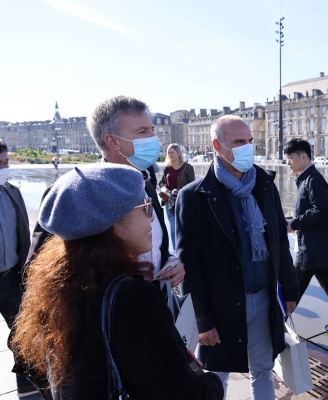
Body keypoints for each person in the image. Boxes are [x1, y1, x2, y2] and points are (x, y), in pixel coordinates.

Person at [11, 164, 223, 400]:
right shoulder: (133, 297)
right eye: (145, 208)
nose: (151, 220)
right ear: (113, 226)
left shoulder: (56, 284)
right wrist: (203, 375)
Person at [176, 115, 299, 400]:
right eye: (239, 142)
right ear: (217, 146)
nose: (247, 148)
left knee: (263, 370)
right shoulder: (195, 196)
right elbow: (189, 264)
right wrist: (202, 321)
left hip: (263, 299)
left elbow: (279, 240)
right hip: (221, 305)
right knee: (216, 375)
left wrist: (290, 289)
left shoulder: (264, 185)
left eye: (250, 141)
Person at [27, 96, 184, 287]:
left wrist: (170, 260)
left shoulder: (147, 181)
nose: (153, 138)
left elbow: (157, 247)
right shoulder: (76, 193)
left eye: (152, 130)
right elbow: (37, 271)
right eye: (143, 131)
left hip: (155, 307)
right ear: (112, 141)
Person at [284, 139, 328, 334]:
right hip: (316, 244)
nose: (288, 162)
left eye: (290, 157)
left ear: (303, 156)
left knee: (293, 285)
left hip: (313, 246)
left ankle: (279, 323)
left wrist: (295, 223)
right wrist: (293, 220)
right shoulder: (307, 178)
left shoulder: (312, 179)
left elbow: (320, 209)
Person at [0, 140, 37, 397]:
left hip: (11, 277)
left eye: (6, 163)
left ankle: (26, 386)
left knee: (22, 332)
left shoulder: (12, 192)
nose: (4, 168)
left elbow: (24, 234)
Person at [159, 143, 195, 249]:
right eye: (169, 153)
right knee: (173, 227)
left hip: (182, 201)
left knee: (184, 226)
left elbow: (192, 185)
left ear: (178, 153)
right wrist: (162, 186)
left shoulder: (188, 168)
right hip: (169, 201)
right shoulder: (167, 168)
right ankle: (176, 252)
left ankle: (187, 249)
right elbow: (162, 181)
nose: (170, 155)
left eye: (172, 152)